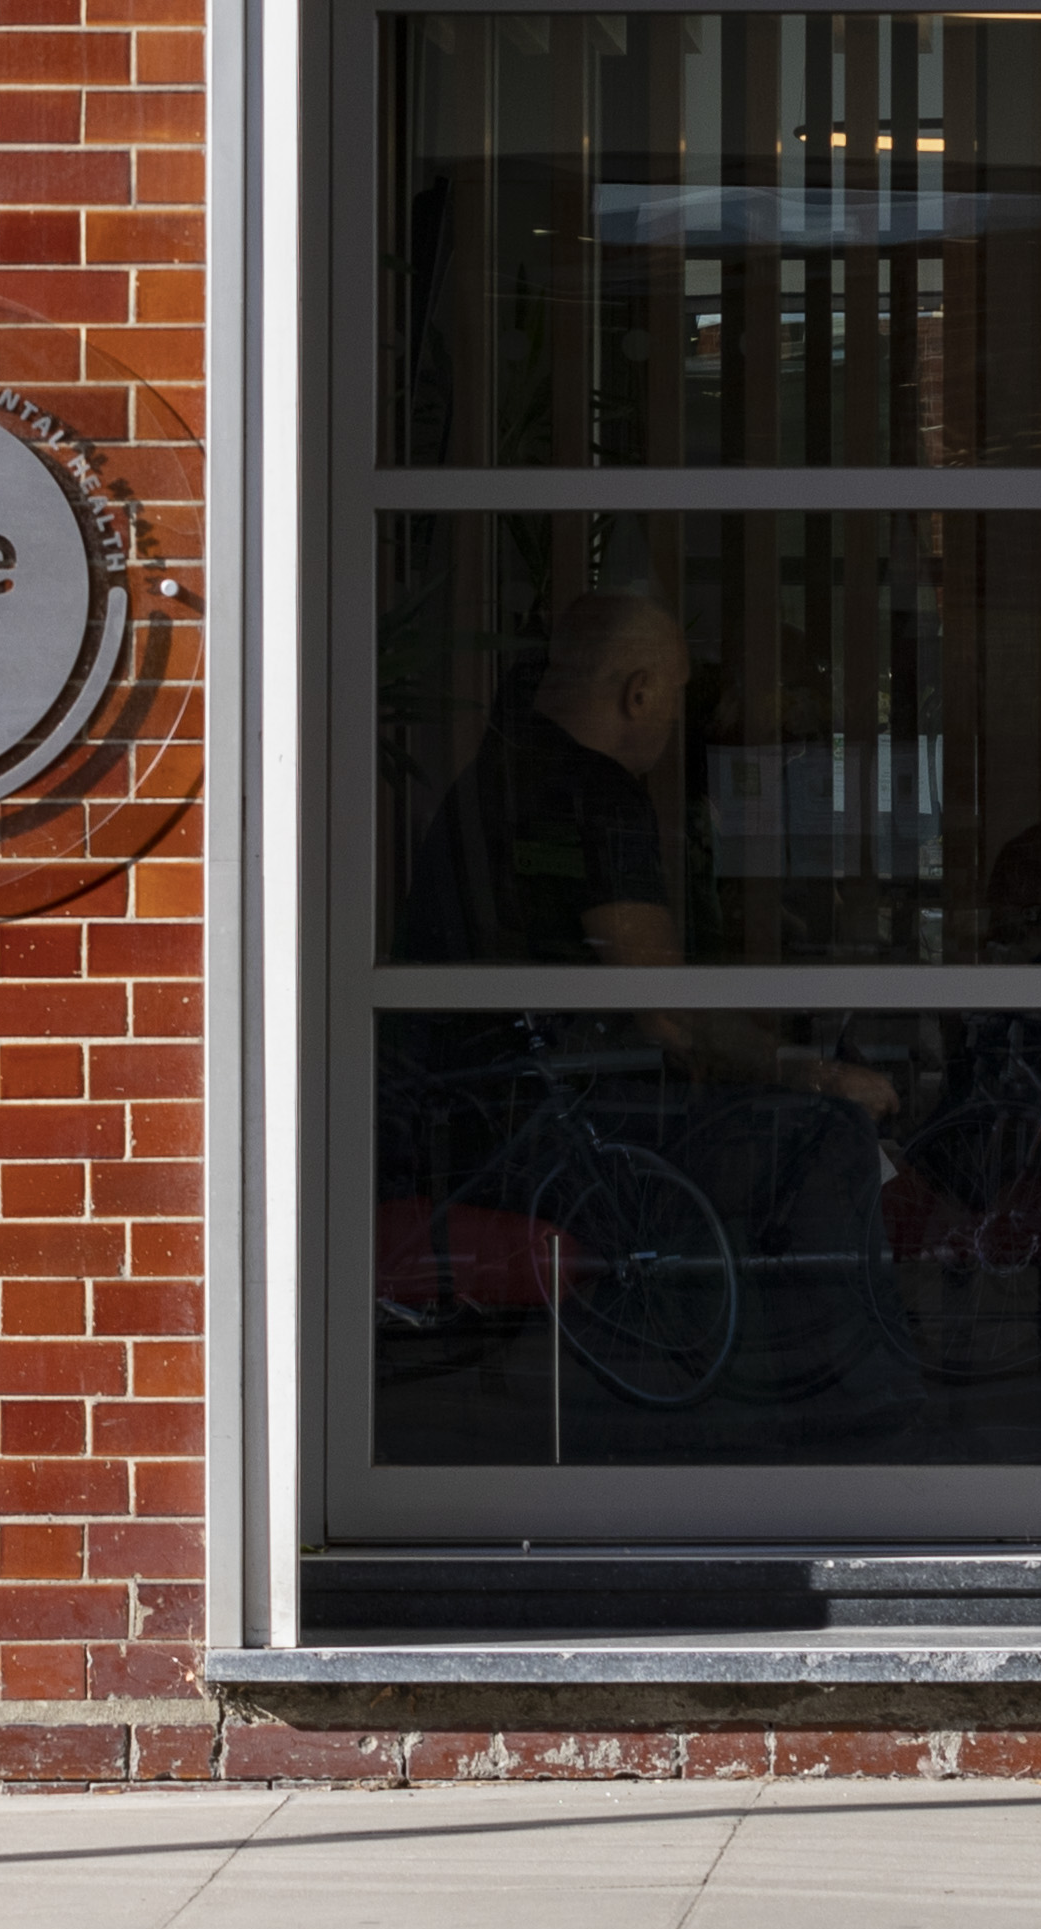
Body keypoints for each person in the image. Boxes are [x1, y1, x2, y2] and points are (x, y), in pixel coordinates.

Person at [393, 584, 924, 1422]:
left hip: (463, 1114)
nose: (674, 722)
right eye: (675, 697)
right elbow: (665, 1014)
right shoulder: (595, 793)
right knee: (823, 1136)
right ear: (639, 691)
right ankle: (857, 1404)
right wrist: (813, 1073)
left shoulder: (490, 776)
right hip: (562, 1124)